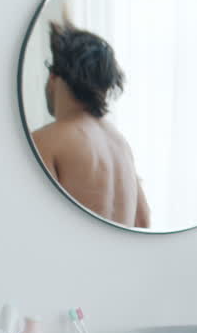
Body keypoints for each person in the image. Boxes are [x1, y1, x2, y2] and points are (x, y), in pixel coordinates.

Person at [32, 21, 151, 228]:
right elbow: (143, 221)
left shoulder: (46, 141)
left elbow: (38, 223)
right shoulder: (119, 143)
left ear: (54, 76)